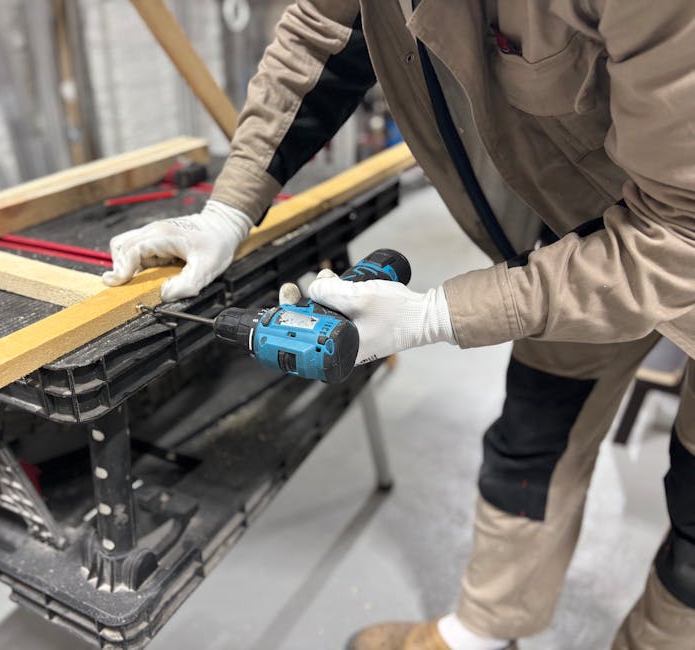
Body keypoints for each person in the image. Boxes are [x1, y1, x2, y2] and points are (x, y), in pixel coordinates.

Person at [103, 2, 695, 648]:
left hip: (676, 231)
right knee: (531, 439)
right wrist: (229, 209)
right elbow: (320, 34)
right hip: (581, 235)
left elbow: (677, 237)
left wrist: (441, 313)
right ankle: (480, 634)